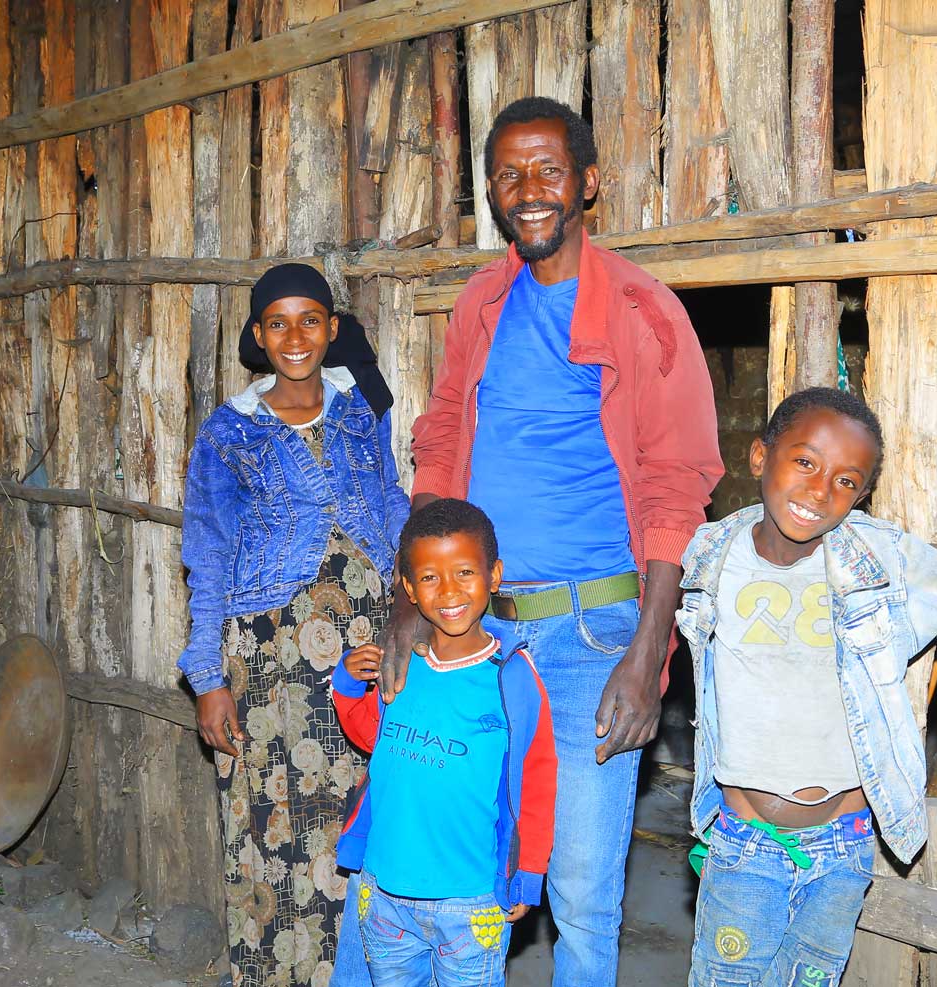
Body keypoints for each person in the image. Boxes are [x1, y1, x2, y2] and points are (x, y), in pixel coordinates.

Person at [393, 95, 724, 986]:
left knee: (580, 891)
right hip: (480, 633)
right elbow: (442, 434)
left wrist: (649, 654)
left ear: (587, 184)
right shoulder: (482, 303)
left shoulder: (643, 312)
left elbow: (676, 483)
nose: (528, 189)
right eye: (508, 173)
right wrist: (410, 605)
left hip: (592, 637)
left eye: (548, 170)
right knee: (469, 873)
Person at [675, 387, 937, 986]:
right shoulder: (711, 554)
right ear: (760, 457)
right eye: (805, 463)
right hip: (743, 845)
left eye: (846, 481)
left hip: (842, 848)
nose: (820, 492)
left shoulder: (880, 558)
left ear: (863, 494)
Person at [179, 262, 408, 987]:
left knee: (360, 817)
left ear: (332, 329)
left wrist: (419, 592)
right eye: (277, 322)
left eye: (310, 319)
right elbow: (206, 555)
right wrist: (207, 678)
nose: (296, 335)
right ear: (258, 336)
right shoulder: (229, 433)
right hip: (272, 662)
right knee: (272, 825)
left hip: (365, 647)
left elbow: (390, 499)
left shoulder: (358, 412)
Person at [332, 498, 557, 987]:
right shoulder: (401, 667)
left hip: (470, 903)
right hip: (385, 895)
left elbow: (536, 785)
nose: (449, 590)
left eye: (464, 572)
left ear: (493, 575)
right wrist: (348, 686)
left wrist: (528, 872)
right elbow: (372, 738)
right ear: (409, 589)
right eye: (430, 578)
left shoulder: (512, 678)